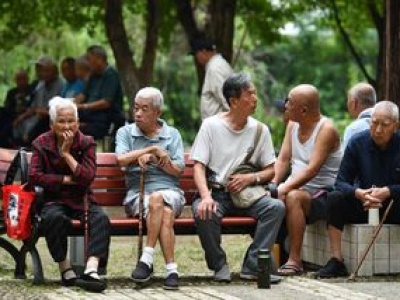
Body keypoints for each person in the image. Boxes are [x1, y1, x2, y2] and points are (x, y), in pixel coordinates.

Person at [191, 72, 285, 283]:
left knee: (275, 208)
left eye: (255, 93)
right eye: (249, 94)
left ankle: (253, 266)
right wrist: (206, 197)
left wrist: (250, 179)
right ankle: (219, 265)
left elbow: (271, 170)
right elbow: (198, 166)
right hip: (216, 193)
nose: (255, 98)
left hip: (248, 195)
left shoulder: (260, 130)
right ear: (233, 101)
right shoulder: (211, 126)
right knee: (203, 212)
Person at [29, 97, 110, 292]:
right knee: (53, 218)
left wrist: (66, 154)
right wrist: (64, 180)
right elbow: (34, 176)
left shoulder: (86, 142)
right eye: (61, 121)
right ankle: (65, 267)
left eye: (71, 121)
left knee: (101, 218)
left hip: (81, 198)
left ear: (77, 121)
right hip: (53, 199)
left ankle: (91, 269)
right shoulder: (41, 143)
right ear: (51, 124)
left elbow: (87, 177)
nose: (67, 125)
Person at [316, 101, 400, 278]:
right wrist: (359, 193)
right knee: (334, 198)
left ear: (396, 125)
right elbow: (340, 181)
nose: (378, 130)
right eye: (374, 123)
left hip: (394, 204)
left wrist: (389, 191)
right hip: (365, 204)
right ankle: (337, 260)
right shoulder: (358, 142)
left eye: (384, 125)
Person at [115, 87, 185, 290]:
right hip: (138, 195)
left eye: (144, 109)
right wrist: (150, 149)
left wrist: (157, 159)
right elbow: (120, 160)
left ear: (157, 112)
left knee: (159, 200)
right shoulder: (125, 132)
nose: (138, 113)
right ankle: (172, 270)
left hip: (171, 192)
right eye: (136, 108)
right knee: (163, 208)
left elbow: (178, 170)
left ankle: (146, 259)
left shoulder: (173, 135)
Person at [273, 84, 342, 276]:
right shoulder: (293, 125)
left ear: (303, 110)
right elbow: (283, 159)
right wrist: (274, 185)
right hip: (296, 188)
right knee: (270, 199)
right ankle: (266, 256)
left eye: (289, 102)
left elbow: (312, 170)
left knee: (293, 197)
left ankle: (295, 260)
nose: (285, 105)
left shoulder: (326, 130)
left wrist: (284, 188)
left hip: (323, 194)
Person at [76, 45, 124, 140]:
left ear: (99, 58)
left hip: (105, 118)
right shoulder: (93, 75)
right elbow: (83, 95)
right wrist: (72, 103)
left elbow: (106, 102)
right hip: (89, 116)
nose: (88, 63)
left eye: (89, 59)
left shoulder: (110, 74)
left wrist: (84, 106)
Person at [13, 56, 63, 146]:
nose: (40, 73)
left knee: (41, 123)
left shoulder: (60, 85)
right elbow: (34, 107)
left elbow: (56, 110)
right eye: (39, 70)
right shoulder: (40, 85)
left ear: (53, 71)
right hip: (36, 117)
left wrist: (40, 111)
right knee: (16, 122)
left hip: (49, 118)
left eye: (44, 70)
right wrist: (22, 117)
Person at [190, 36, 233, 120]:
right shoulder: (219, 64)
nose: (196, 58)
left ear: (204, 51)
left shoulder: (214, 68)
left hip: (220, 126)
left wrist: (237, 121)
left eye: (196, 54)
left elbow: (225, 98)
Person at [0, 70, 33, 147]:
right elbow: (7, 107)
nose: (21, 82)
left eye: (23, 79)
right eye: (19, 79)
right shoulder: (12, 92)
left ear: (27, 79)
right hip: (12, 116)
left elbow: (34, 107)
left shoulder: (32, 91)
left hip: (28, 116)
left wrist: (24, 110)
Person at [342, 82, 376, 149]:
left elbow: (346, 159)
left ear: (354, 103)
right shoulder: (390, 124)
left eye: (348, 101)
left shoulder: (353, 129)